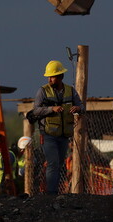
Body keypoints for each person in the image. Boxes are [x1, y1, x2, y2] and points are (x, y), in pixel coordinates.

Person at [33, 60, 84, 194]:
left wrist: (78, 108)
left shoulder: (70, 91)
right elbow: (36, 111)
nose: (50, 79)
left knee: (60, 163)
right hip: (48, 135)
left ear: (61, 76)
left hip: (64, 135)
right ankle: (52, 194)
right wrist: (51, 109)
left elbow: (82, 107)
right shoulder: (43, 91)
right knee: (53, 163)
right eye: (49, 76)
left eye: (53, 76)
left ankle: (55, 192)